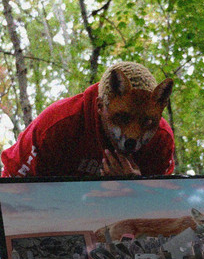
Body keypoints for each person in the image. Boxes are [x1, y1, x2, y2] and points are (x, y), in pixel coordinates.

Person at [1, 61, 174, 178]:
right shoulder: (57, 125)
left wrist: (136, 187)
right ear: (100, 106)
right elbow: (13, 182)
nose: (133, 134)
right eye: (123, 118)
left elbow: (163, 207)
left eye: (146, 122)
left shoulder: (161, 140)